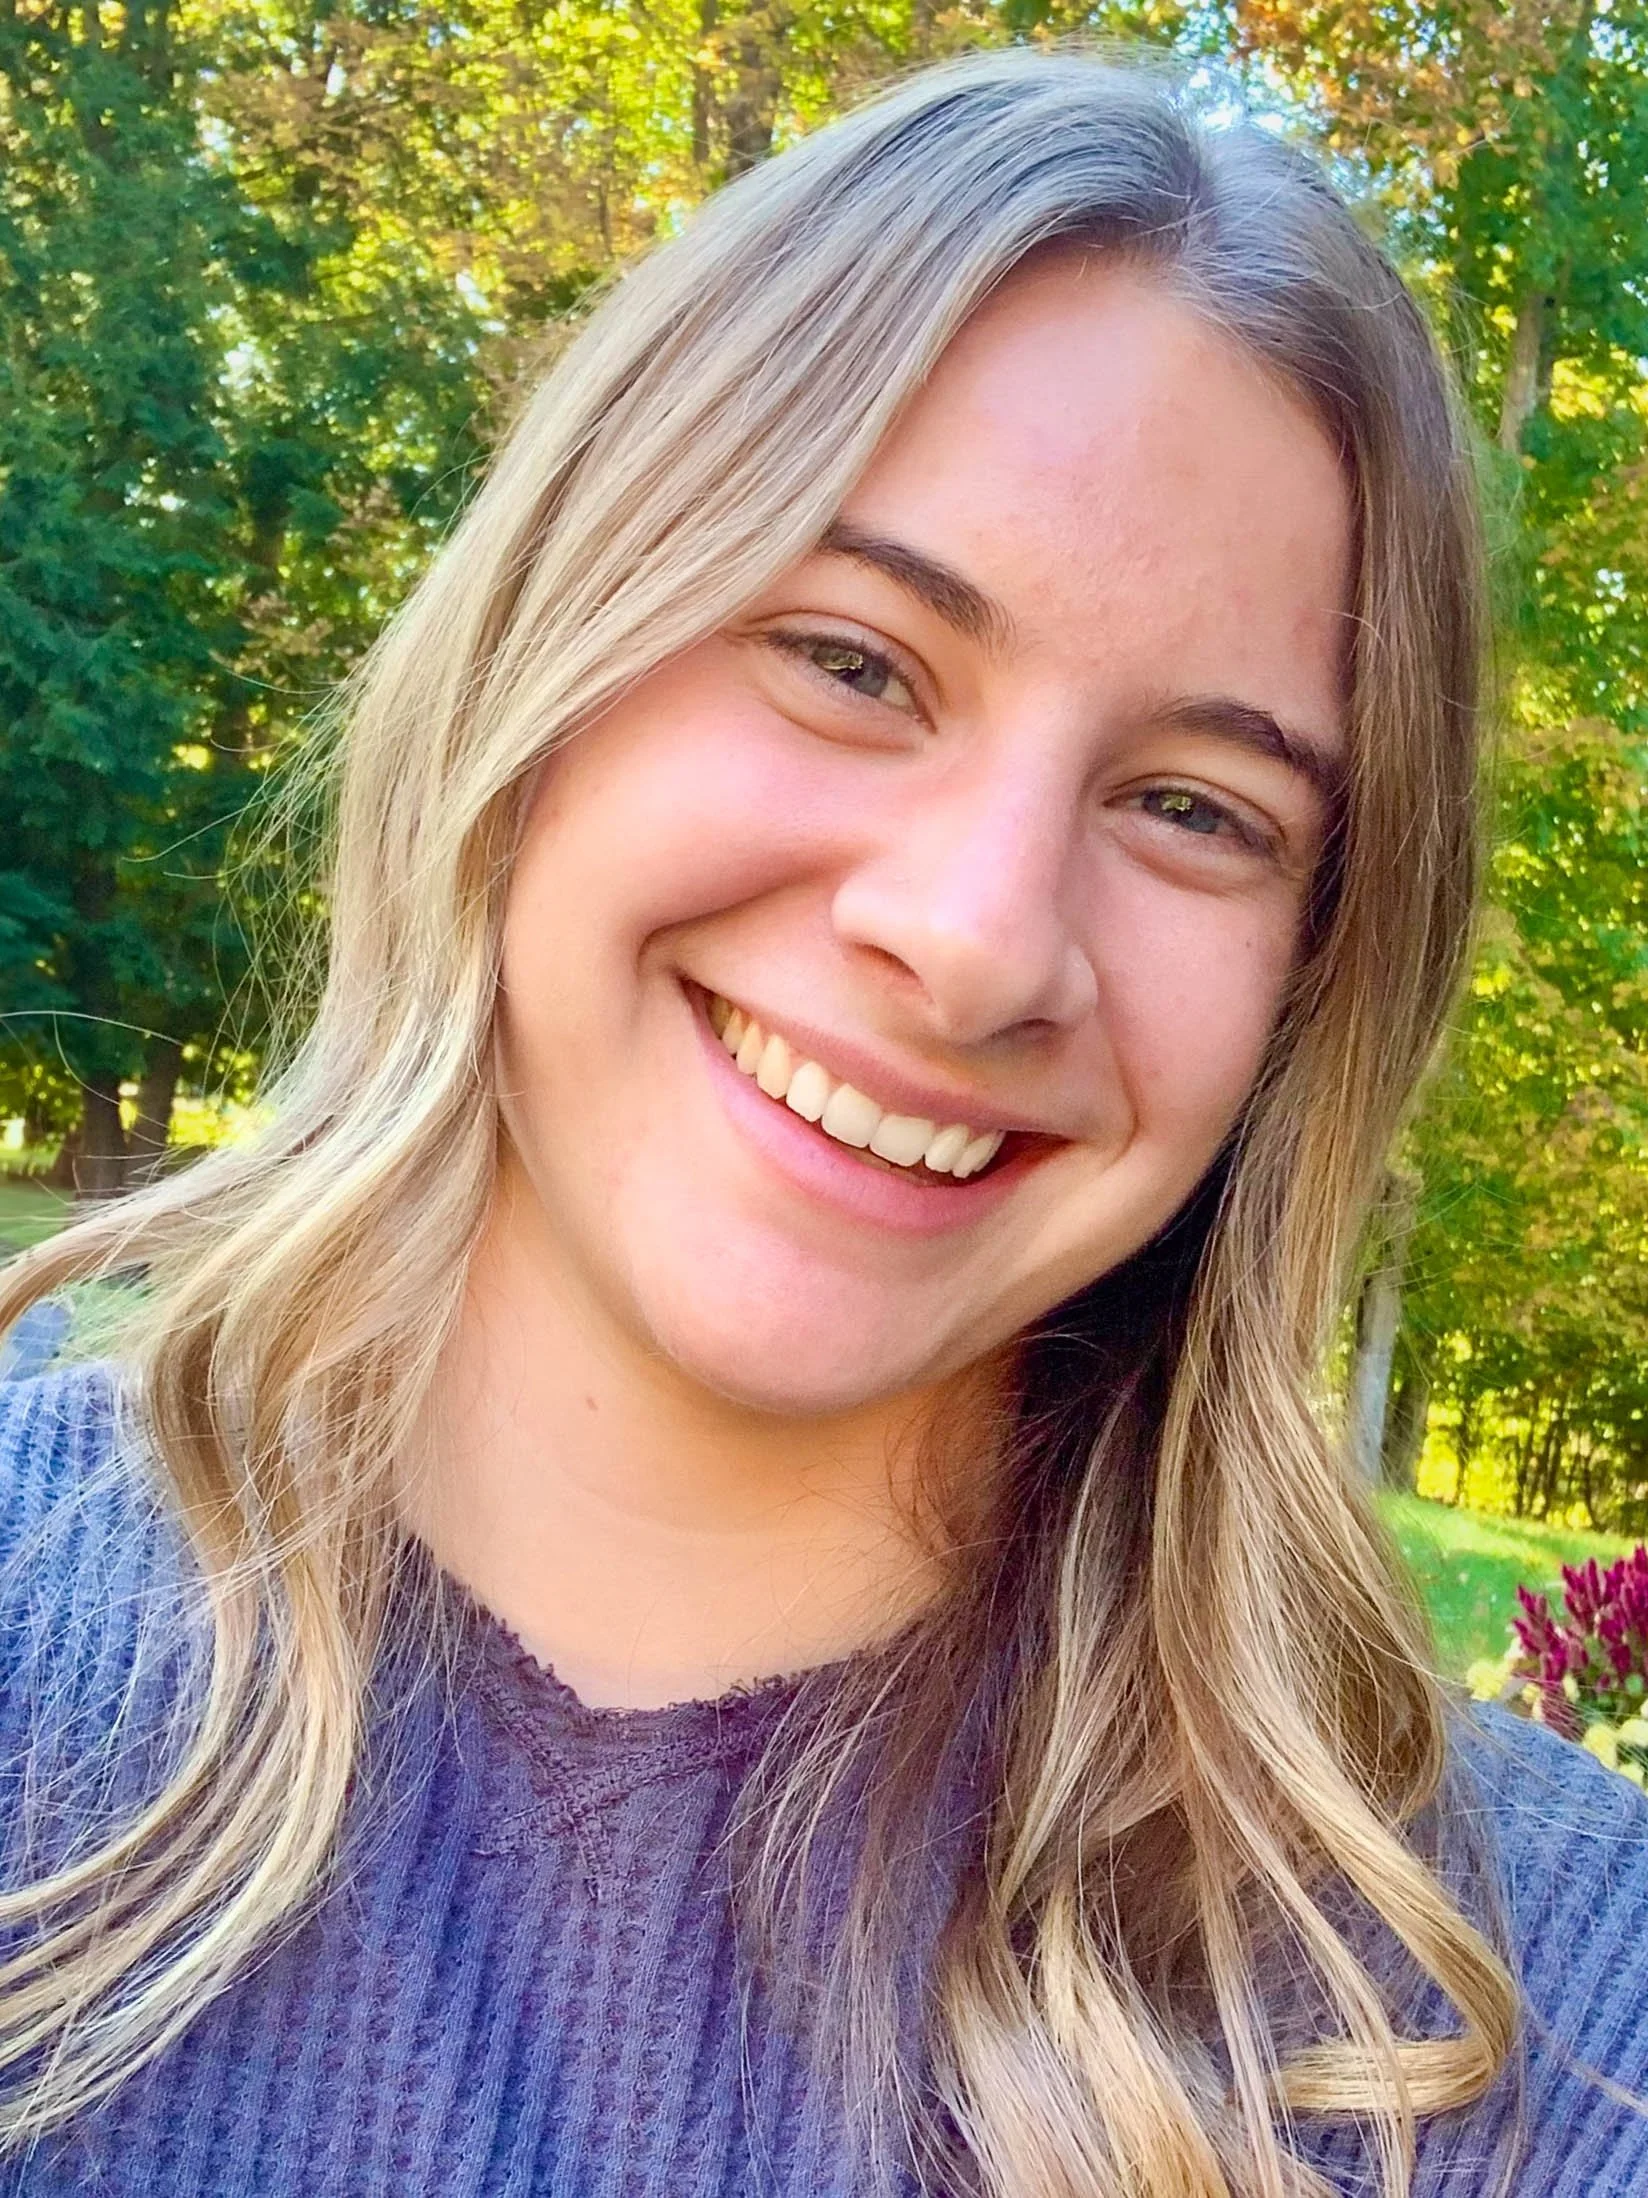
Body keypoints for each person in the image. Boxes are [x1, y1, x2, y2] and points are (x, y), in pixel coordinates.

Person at [0, 46, 1643, 2198]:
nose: (972, 939)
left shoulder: (1539, 2024)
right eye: (852, 658)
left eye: (1189, 808)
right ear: (543, 661)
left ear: (1312, 979)